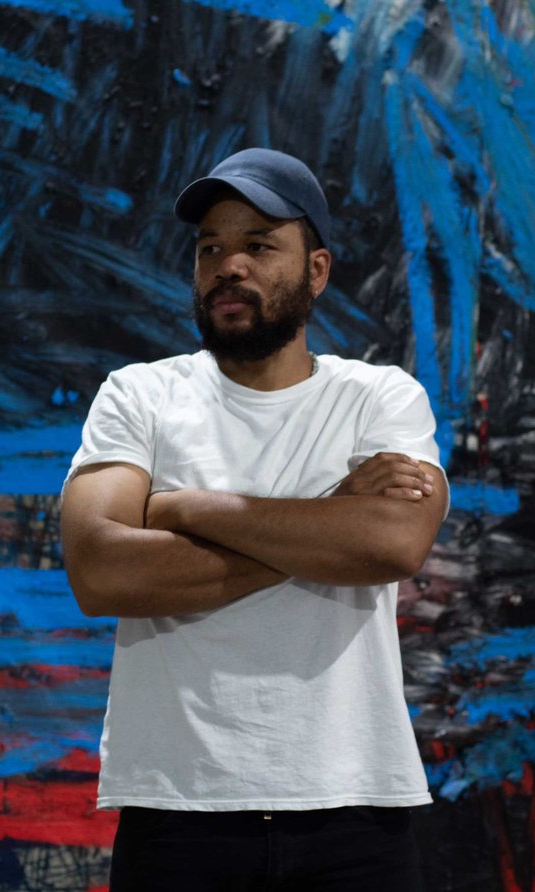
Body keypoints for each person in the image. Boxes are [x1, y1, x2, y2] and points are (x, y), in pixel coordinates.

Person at [61, 148, 449, 890]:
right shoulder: (138, 396)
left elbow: (394, 541)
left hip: (354, 808)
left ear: (318, 269)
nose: (228, 264)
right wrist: (330, 525)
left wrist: (183, 508)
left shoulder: (379, 398)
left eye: (259, 245)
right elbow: (101, 569)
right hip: (177, 808)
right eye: (211, 247)